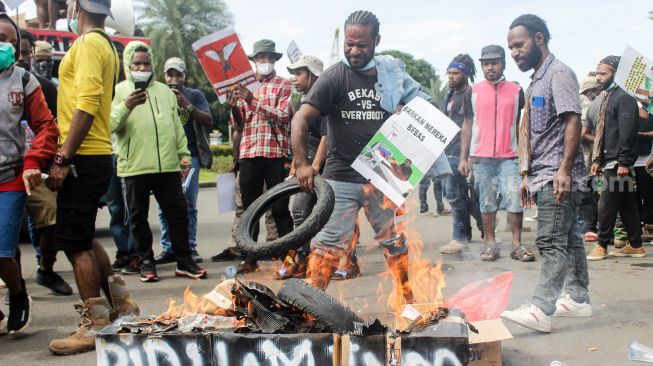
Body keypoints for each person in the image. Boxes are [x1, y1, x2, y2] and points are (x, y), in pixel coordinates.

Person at [292, 10, 432, 303]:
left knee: (393, 241)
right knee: (328, 245)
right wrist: (303, 164)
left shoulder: (392, 76)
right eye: (349, 43)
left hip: (382, 176)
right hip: (340, 176)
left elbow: (425, 114)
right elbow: (300, 121)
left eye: (362, 45)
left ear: (377, 41)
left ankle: (408, 301)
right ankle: (310, 306)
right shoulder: (333, 77)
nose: (354, 51)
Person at [47, 0, 138, 355]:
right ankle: (123, 305)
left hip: (83, 154)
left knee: (74, 242)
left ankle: (96, 325)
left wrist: (63, 156)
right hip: (96, 153)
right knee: (82, 234)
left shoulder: (88, 45)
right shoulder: (104, 44)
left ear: (79, 5)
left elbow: (85, 104)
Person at [500, 14, 591, 333]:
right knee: (569, 238)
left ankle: (541, 308)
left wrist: (564, 169)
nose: (514, 53)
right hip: (544, 173)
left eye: (519, 45)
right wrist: (526, 173)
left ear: (539, 39)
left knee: (550, 241)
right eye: (511, 47)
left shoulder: (559, 74)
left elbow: (572, 121)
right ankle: (578, 299)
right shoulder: (537, 80)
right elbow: (534, 132)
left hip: (558, 175)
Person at [111, 41, 208, 282]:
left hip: (167, 166)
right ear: (128, 65)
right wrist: (126, 107)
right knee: (138, 217)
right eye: (137, 63)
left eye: (146, 63)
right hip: (134, 167)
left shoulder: (165, 92)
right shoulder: (120, 91)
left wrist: (184, 155)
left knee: (178, 213)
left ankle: (184, 260)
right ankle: (146, 261)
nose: (142, 67)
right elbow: (110, 124)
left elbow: (176, 127)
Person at [0, 12, 57, 334]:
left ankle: (18, 293)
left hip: (10, 176)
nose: (2, 45)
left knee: (2, 250)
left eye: (8, 41)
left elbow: (46, 126)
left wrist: (34, 161)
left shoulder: (23, 80)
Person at [225, 39, 294, 274]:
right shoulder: (244, 86)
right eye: (261, 58)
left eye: (269, 57)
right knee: (249, 209)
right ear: (253, 60)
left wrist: (251, 99)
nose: (265, 61)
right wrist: (234, 106)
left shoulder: (284, 85)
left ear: (275, 60)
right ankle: (250, 258)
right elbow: (240, 124)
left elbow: (283, 116)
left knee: (280, 208)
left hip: (275, 154)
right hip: (249, 153)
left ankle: (288, 258)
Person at [458, 45, 532, 262]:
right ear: (481, 66)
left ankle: (517, 245)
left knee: (515, 201)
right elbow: (467, 124)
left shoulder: (517, 90)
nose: (490, 67)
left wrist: (525, 157)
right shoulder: (473, 91)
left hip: (510, 157)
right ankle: (490, 243)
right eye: (486, 63)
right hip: (481, 158)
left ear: (503, 64)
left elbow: (522, 125)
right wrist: (464, 157)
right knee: (487, 203)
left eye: (494, 62)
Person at [17, 28, 72, 295]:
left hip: (38, 169)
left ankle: (46, 270)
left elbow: (57, 127)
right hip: (8, 171)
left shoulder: (44, 87)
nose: (20, 56)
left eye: (25, 51)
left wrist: (57, 161)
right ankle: (16, 285)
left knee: (52, 222)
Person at [155, 56, 213, 265]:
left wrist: (185, 104)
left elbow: (208, 120)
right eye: (170, 74)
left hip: (189, 158)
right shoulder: (157, 94)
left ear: (185, 76)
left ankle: (190, 245)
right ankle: (168, 247)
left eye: (178, 74)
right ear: (164, 75)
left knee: (188, 204)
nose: (174, 78)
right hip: (164, 158)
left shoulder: (194, 95)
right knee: (163, 206)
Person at [586, 56, 645, 260]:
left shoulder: (624, 97)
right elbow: (604, 132)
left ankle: (601, 244)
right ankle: (636, 245)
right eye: (597, 73)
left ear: (616, 73)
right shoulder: (608, 97)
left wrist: (624, 162)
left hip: (618, 162)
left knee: (606, 205)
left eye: (603, 73)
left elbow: (627, 132)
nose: (599, 77)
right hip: (609, 159)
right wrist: (596, 160)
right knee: (626, 203)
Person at [275, 54, 328, 280]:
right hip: (304, 164)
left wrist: (314, 166)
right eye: (292, 74)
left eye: (298, 74)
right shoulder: (303, 100)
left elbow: (327, 137)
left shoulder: (322, 101)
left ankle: (305, 260)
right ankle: (303, 258)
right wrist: (296, 165)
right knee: (304, 213)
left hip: (319, 167)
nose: (293, 79)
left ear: (313, 75)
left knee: (301, 211)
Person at [439, 54, 484, 254]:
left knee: (455, 196)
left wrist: (468, 156)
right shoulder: (449, 95)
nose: (450, 77)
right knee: (459, 196)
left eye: (455, 73)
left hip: (463, 152)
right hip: (448, 152)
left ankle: (460, 238)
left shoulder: (470, 95)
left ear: (466, 74)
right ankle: (482, 225)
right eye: (449, 73)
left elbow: (472, 125)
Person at [578, 73, 601, 242]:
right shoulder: (587, 104)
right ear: (592, 91)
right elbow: (583, 134)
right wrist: (604, 141)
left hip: (587, 156)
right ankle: (590, 227)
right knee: (590, 191)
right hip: (588, 156)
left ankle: (589, 226)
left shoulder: (580, 102)